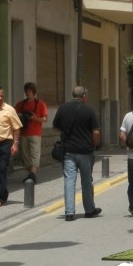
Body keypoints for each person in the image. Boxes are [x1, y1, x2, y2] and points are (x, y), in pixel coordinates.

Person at [52, 86, 101, 222]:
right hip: (85, 151)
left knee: (69, 181)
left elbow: (55, 126)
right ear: (84, 96)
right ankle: (89, 210)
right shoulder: (89, 110)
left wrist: (66, 130)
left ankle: (69, 212)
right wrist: (95, 145)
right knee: (86, 181)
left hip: (68, 151)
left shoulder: (63, 108)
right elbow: (96, 132)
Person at [13, 82, 48, 183]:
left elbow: (45, 119)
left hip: (35, 133)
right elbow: (13, 113)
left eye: (30, 91)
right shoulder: (21, 104)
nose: (28, 93)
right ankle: (31, 174)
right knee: (25, 155)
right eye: (26, 91)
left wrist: (35, 118)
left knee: (34, 154)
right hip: (24, 133)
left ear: (34, 92)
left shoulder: (40, 104)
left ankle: (32, 174)